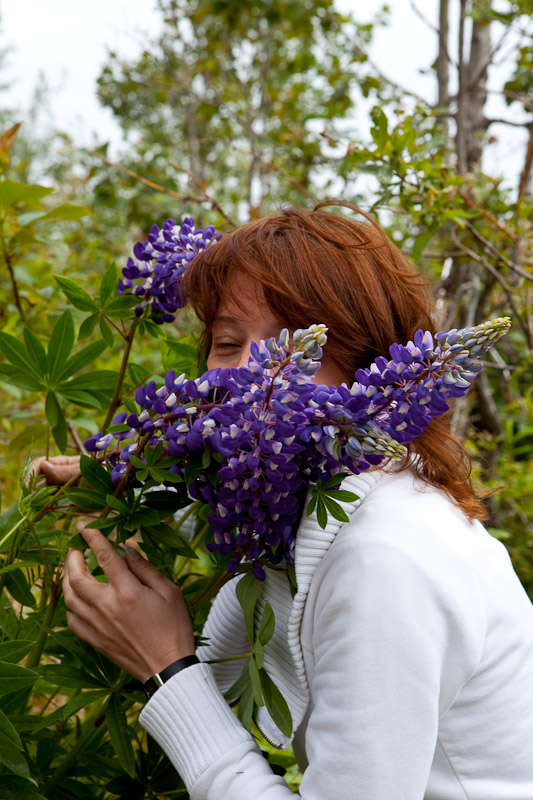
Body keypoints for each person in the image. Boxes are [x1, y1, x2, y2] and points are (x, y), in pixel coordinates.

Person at [34, 202, 533, 799]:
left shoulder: (387, 558)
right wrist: (129, 470)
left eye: (298, 353)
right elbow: (253, 468)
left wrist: (166, 667)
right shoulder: (334, 497)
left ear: (377, 371)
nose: (249, 378)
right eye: (226, 342)